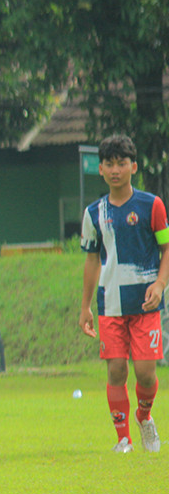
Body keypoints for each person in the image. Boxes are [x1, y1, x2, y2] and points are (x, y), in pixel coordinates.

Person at [79, 134, 168, 453]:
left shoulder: (152, 205)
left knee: (145, 374)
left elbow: (166, 248)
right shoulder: (94, 213)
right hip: (110, 304)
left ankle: (145, 418)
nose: (115, 170)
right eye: (109, 164)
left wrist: (159, 284)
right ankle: (123, 438)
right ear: (100, 169)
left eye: (121, 163)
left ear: (133, 166)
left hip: (145, 304)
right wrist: (86, 306)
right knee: (116, 369)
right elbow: (91, 260)